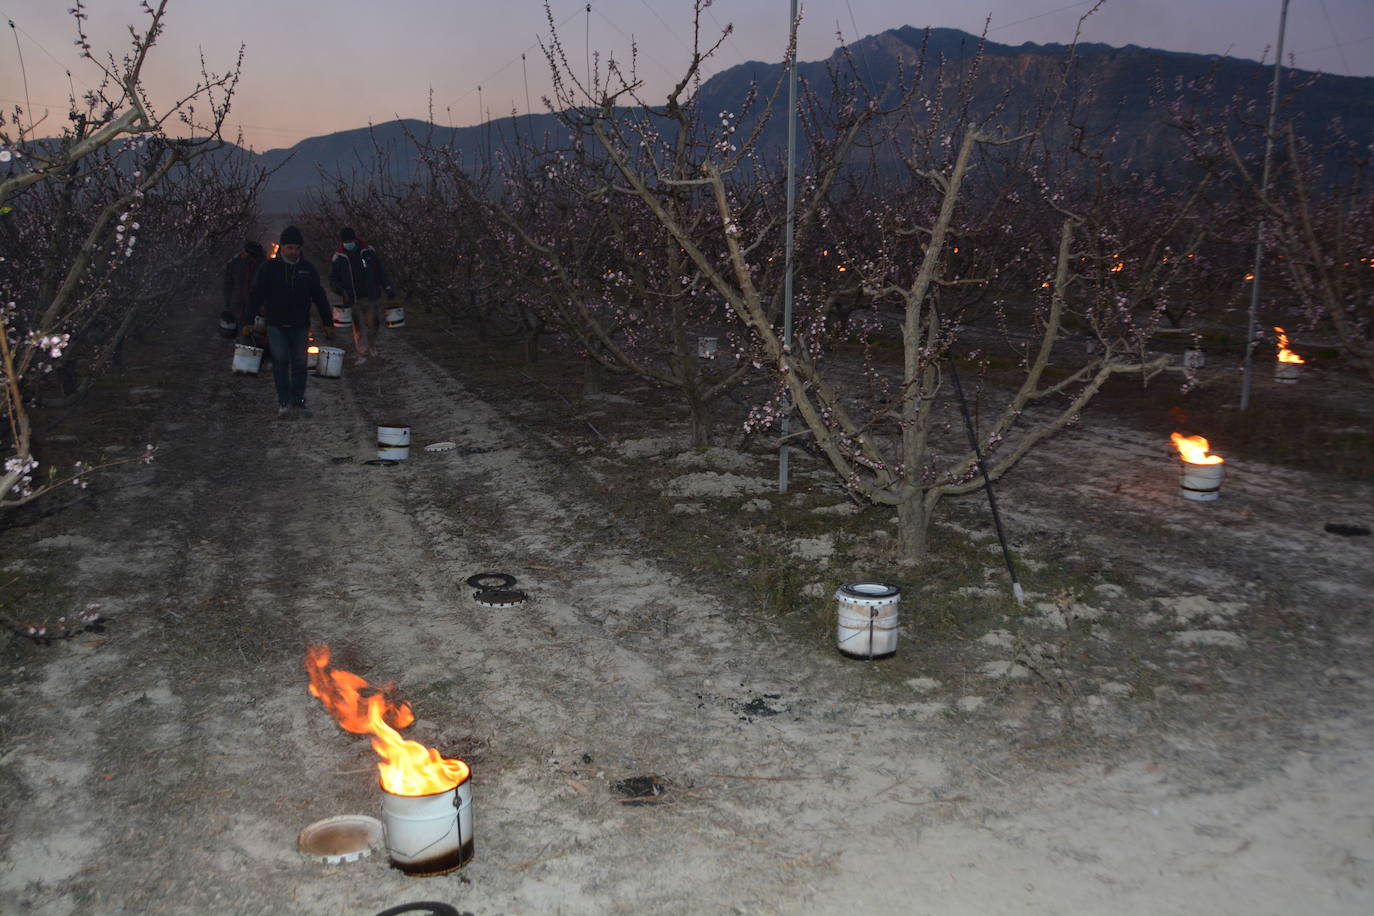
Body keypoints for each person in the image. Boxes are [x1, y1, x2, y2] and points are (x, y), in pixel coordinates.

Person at [247, 226, 334, 419]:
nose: (293, 252)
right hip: (276, 324)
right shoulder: (269, 268)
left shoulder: (307, 269)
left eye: (296, 248)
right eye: (289, 248)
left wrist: (328, 321)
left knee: (300, 363)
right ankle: (284, 401)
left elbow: (319, 295)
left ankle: (297, 400)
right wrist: (248, 319)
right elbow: (256, 294)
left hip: (300, 325)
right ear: (282, 248)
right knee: (280, 362)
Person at [328, 226, 395, 363]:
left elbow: (379, 270)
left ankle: (372, 345)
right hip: (352, 298)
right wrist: (341, 290)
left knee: (374, 323)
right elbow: (333, 279)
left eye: (350, 240)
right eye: (345, 241)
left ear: (355, 239)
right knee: (357, 326)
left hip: (370, 295)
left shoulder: (368, 252)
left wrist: (387, 287)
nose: (348, 243)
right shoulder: (338, 257)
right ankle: (362, 351)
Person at [223, 240, 265, 332]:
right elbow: (228, 285)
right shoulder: (235, 264)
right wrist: (228, 304)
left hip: (255, 309)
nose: (244, 254)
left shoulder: (264, 266)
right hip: (237, 306)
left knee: (253, 336)